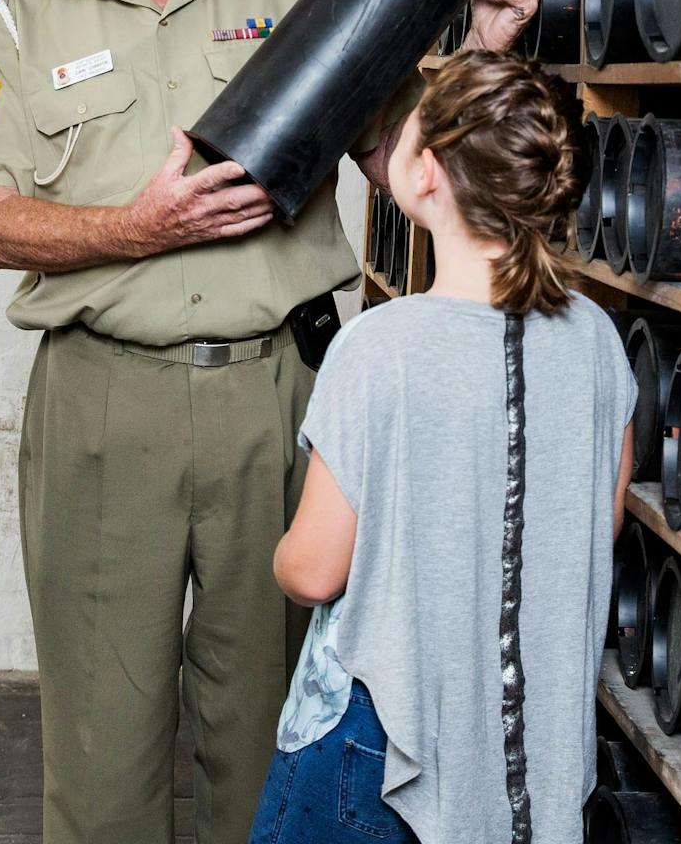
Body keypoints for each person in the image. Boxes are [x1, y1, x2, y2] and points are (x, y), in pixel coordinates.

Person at [0, 0, 553, 844]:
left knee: (270, 725)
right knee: (101, 738)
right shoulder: (21, 16)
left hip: (279, 397)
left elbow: (404, 161)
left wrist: (485, 49)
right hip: (103, 408)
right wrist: (136, 228)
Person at [254, 50, 638, 843]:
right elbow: (594, 529)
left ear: (426, 172)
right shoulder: (598, 340)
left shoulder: (377, 346)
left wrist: (278, 556)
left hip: (382, 741)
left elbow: (315, 568)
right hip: (525, 746)